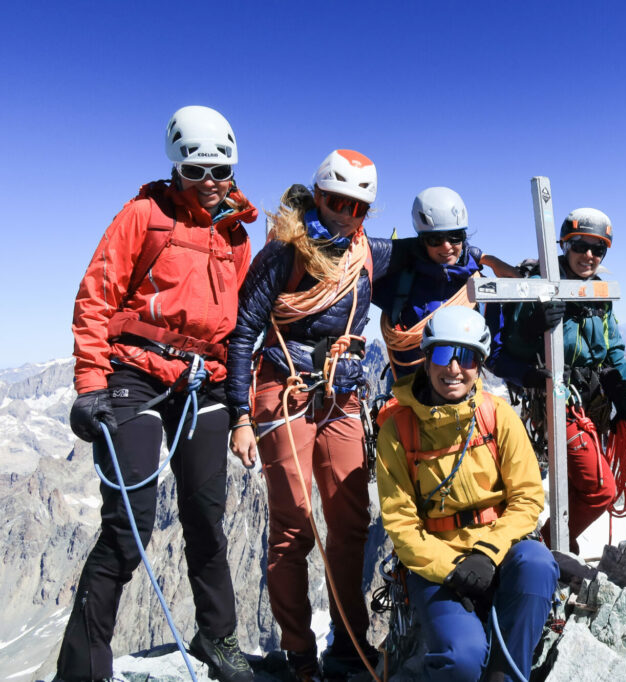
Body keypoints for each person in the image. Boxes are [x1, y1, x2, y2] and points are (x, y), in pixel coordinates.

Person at [58, 105, 257, 682]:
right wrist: (90, 385)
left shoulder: (237, 235)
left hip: (204, 381)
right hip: (135, 376)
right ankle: (81, 670)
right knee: (129, 524)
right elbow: (96, 296)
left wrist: (242, 401)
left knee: (206, 515)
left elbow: (243, 320)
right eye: (196, 172)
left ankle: (217, 639)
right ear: (175, 170)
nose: (211, 184)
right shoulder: (143, 216)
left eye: (221, 171)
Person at [226, 150, 408, 680]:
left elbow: (433, 253)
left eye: (357, 207)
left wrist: (492, 263)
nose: (345, 214)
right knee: (293, 527)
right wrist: (241, 415)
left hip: (342, 393)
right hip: (285, 390)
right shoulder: (285, 252)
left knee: (350, 523)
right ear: (318, 195)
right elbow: (243, 334)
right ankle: (300, 654)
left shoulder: (366, 252)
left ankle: (348, 648)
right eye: (335, 201)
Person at [376, 306, 558, 681]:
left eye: (468, 357)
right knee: (461, 661)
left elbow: (526, 497)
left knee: (538, 564)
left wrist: (488, 555)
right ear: (427, 361)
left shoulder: (498, 415)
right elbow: (401, 525)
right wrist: (453, 569)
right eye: (443, 355)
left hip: (502, 548)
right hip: (435, 562)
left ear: (480, 364)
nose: (454, 369)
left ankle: (504, 677)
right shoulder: (398, 431)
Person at [490, 208, 626, 554]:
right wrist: (532, 324)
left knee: (575, 486)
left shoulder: (597, 292)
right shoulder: (537, 286)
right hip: (557, 400)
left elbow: (612, 346)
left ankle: (557, 549)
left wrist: (623, 393)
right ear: (565, 246)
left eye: (598, 249)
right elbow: (510, 348)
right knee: (600, 490)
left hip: (592, 404)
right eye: (581, 246)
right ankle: (547, 545)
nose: (589, 255)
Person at [375, 186, 514, 381]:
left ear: (464, 237)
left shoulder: (480, 288)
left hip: (460, 390)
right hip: (408, 391)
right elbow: (353, 257)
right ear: (421, 241)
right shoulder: (400, 281)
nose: (447, 246)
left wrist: (529, 377)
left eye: (455, 236)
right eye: (435, 239)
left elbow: (493, 354)